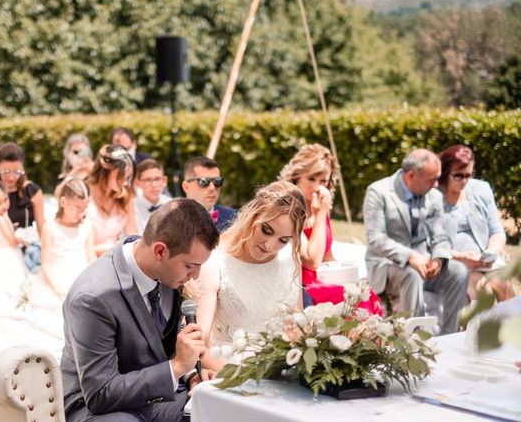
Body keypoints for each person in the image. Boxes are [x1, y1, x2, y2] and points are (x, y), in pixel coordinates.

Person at [61, 198, 220, 422]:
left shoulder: (166, 270)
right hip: (93, 407)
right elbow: (100, 393)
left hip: (155, 399)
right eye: (190, 266)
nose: (195, 276)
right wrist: (176, 366)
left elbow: (163, 340)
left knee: (232, 417)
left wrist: (192, 374)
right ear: (160, 251)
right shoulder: (94, 296)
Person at [195, 181, 306, 372]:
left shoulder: (290, 260)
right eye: (266, 230)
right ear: (252, 215)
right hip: (230, 371)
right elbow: (199, 347)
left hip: (280, 370)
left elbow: (297, 328)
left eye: (283, 240)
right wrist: (238, 378)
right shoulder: (215, 263)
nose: (270, 246)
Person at [363, 148, 469, 334]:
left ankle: (449, 335)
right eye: (431, 179)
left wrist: (439, 258)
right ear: (411, 176)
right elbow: (376, 239)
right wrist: (410, 256)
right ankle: (414, 341)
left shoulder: (434, 196)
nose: (436, 184)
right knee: (411, 275)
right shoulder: (378, 192)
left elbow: (441, 236)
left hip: (425, 264)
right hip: (388, 266)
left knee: (459, 272)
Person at [279, 144, 383, 314]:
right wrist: (320, 214)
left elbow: (327, 257)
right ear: (297, 178)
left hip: (321, 281)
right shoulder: (290, 210)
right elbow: (311, 261)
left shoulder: (320, 208)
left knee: (364, 293)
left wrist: (348, 277)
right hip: (299, 286)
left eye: (323, 181)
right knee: (351, 299)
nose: (317, 187)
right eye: (311, 179)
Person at [438, 144, 514, 301]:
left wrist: (491, 251)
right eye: (458, 175)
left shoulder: (481, 189)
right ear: (445, 173)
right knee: (479, 286)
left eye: (469, 175)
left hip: (483, 261)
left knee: (503, 284)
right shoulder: (432, 197)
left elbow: (497, 232)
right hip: (451, 261)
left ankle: (514, 325)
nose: (465, 181)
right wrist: (460, 257)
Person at [39, 177, 95, 303]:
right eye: (77, 208)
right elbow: (46, 264)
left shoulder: (87, 226)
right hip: (56, 279)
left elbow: (91, 258)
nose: (81, 213)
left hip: (82, 278)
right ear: (63, 202)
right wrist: (56, 289)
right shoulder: (50, 228)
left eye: (84, 208)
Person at [0, 142, 45, 269]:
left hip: (27, 249)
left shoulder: (32, 191)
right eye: (6, 171)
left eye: (17, 172)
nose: (11, 177)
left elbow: (42, 227)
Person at [86, 144, 138, 257]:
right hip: (86, 257)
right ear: (106, 172)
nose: (125, 183)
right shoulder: (85, 194)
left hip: (114, 257)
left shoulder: (126, 196)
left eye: (128, 177)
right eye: (121, 177)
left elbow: (132, 236)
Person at [181, 156, 236, 233]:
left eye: (217, 181)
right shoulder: (168, 219)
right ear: (186, 187)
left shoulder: (234, 218)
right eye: (204, 181)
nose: (212, 188)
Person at [134, 159, 172, 234]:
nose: (154, 185)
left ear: (164, 181)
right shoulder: (132, 208)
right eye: (148, 180)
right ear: (138, 183)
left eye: (157, 179)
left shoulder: (172, 205)